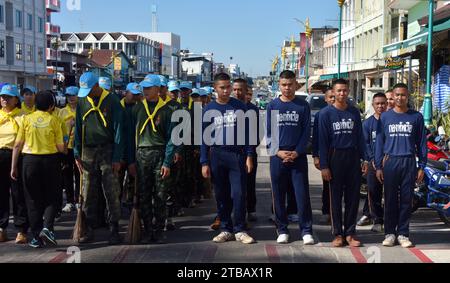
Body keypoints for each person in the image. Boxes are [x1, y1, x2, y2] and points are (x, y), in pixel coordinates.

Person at [201, 73, 256, 245]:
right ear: (215, 88)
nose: (226, 91)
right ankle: (226, 228)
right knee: (221, 194)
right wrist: (204, 162)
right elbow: (204, 139)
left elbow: (248, 134)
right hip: (217, 155)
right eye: (222, 87)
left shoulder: (239, 106)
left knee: (238, 193)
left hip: (237, 155)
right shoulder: (208, 109)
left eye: (228, 87)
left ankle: (240, 229)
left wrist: (249, 155)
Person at [74, 72, 124, 245]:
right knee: (87, 192)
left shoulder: (112, 101)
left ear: (97, 86)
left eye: (89, 90)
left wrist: (117, 156)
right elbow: (79, 127)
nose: (86, 94)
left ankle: (114, 228)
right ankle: (88, 228)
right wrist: (76, 152)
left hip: (107, 149)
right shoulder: (82, 101)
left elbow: (119, 131)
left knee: (111, 190)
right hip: (87, 151)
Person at [11, 90, 66, 248]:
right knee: (53, 197)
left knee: (32, 200)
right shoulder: (54, 120)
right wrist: (64, 147)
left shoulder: (26, 119)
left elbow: (17, 145)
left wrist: (14, 167)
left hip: (29, 162)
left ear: (35, 104)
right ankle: (47, 228)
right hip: (50, 162)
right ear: (51, 106)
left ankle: (36, 237)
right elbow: (61, 147)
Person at [375, 83, 427, 248]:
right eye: (397, 95)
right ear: (393, 96)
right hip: (391, 161)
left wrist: (422, 166)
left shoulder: (416, 117)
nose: (400, 98)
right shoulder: (385, 117)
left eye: (403, 95)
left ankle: (403, 233)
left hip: (409, 161)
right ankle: (390, 233)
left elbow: (422, 143)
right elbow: (379, 143)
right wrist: (378, 166)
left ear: (408, 96)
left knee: (406, 200)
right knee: (390, 199)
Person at [318, 78, 368, 248]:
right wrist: (324, 165)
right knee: (335, 198)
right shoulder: (326, 114)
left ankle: (351, 233)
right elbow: (323, 142)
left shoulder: (354, 112)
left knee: (353, 198)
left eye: (345, 90)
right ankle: (338, 233)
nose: (342, 94)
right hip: (335, 157)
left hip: (353, 157)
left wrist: (365, 158)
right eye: (338, 91)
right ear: (333, 92)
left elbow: (360, 137)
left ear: (348, 92)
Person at [266, 70, 314, 245]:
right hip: (277, 157)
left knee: (302, 196)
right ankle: (282, 229)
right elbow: (270, 133)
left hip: (298, 157)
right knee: (278, 195)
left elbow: (306, 132)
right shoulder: (273, 106)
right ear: (279, 85)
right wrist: (277, 152)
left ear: (296, 84)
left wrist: (297, 152)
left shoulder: (303, 106)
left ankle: (306, 230)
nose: (287, 88)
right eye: (284, 85)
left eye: (290, 84)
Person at [128, 74, 176, 244]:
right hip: (141, 155)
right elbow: (130, 136)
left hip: (160, 153)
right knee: (144, 195)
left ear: (158, 89)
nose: (145, 91)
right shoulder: (137, 109)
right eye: (144, 88)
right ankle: (148, 229)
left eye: (149, 88)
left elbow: (172, 138)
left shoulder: (168, 110)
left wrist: (167, 162)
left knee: (161, 194)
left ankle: (159, 229)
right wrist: (131, 161)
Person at [0, 84, 29, 245]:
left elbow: (21, 141)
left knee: (18, 195)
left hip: (16, 156)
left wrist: (15, 164)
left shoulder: (22, 116)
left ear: (15, 99)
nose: (4, 99)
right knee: (1, 194)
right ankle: (1, 228)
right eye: (2, 96)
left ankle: (21, 230)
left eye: (8, 97)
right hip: (0, 155)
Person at [357, 93, 387, 233]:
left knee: (389, 194)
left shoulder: (390, 120)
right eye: (377, 104)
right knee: (373, 193)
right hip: (372, 164)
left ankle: (390, 221)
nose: (380, 106)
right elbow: (365, 143)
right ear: (373, 105)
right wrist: (371, 160)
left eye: (383, 103)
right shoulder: (367, 123)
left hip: (389, 163)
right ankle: (377, 220)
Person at [232, 78, 260, 222]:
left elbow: (256, 134)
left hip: (249, 152)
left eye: (241, 90)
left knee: (249, 184)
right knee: (233, 186)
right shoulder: (228, 106)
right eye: (235, 90)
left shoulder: (253, 110)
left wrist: (250, 152)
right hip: (232, 153)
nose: (237, 93)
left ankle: (250, 209)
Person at [312, 87, 335, 225]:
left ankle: (338, 213)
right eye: (330, 97)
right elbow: (316, 137)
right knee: (327, 186)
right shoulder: (321, 115)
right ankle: (326, 212)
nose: (333, 99)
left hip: (343, 157)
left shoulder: (346, 112)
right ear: (325, 99)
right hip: (326, 157)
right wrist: (316, 156)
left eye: (334, 96)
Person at [120, 83, 143, 212]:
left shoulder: (140, 108)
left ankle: (131, 205)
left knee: (134, 182)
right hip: (120, 152)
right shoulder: (118, 107)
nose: (135, 97)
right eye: (133, 94)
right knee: (116, 184)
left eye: (137, 95)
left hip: (136, 150)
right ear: (126, 93)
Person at [60, 86, 80, 213]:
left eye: (73, 95)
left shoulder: (83, 110)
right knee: (67, 174)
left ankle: (78, 199)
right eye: (69, 95)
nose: (71, 98)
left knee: (79, 174)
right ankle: (69, 201)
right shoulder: (61, 112)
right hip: (66, 147)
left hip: (79, 147)